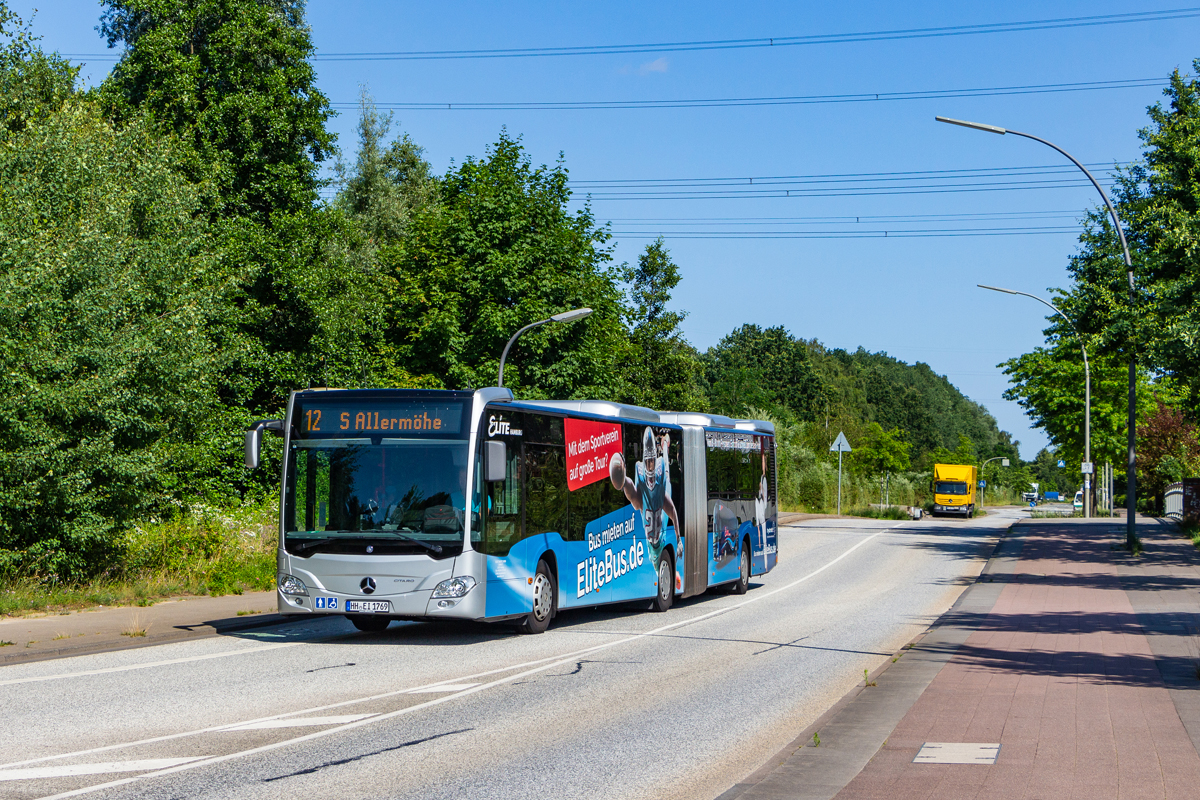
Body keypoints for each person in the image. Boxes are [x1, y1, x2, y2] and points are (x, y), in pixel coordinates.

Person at [609, 427, 682, 566]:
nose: (650, 466)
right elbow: (633, 497)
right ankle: (664, 445)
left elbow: (672, 511)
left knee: (666, 471)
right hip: (654, 533)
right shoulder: (640, 478)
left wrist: (679, 540)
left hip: (661, 518)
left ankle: (665, 446)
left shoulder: (658, 475)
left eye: (652, 461)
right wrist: (623, 480)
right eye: (648, 462)